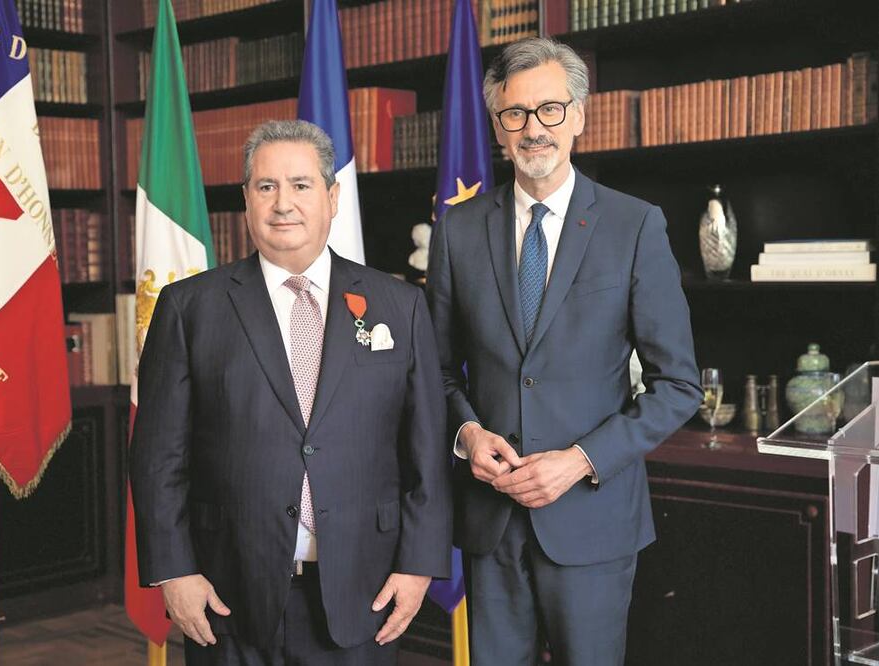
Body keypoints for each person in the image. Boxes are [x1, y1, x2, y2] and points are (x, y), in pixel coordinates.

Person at [130, 119, 452, 666]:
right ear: (246, 200)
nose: (284, 204)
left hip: (363, 590)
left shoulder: (399, 305)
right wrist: (174, 570)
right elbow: (159, 454)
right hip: (226, 596)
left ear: (331, 197)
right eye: (266, 187)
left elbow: (425, 448)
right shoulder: (189, 308)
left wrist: (418, 564)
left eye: (301, 186)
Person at [426, 37, 702, 665]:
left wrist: (579, 460)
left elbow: (678, 385)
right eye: (515, 113)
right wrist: (467, 434)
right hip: (489, 521)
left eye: (550, 109)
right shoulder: (458, 230)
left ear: (578, 115)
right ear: (497, 126)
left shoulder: (634, 226)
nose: (533, 129)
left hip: (592, 520)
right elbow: (435, 370)